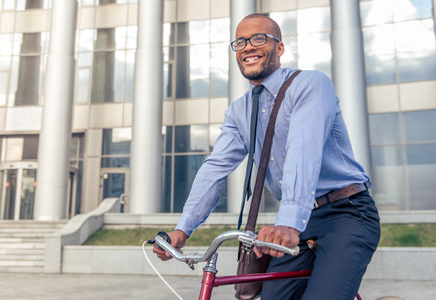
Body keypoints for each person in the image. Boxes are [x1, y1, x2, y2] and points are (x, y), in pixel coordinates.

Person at [154, 13, 380, 300]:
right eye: (240, 42)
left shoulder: (310, 84)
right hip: (302, 219)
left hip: (347, 212)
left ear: (280, 48)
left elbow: (303, 151)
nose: (248, 47)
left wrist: (287, 222)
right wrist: (181, 231)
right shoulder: (239, 112)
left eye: (258, 38)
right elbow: (215, 169)